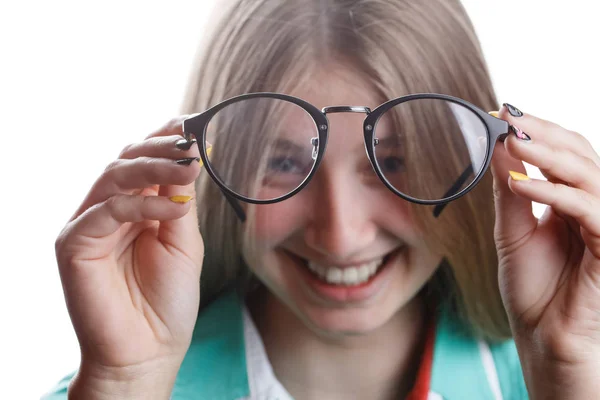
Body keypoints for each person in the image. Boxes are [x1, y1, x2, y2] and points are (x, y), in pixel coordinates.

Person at [43, 1, 600, 399]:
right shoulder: (108, 386)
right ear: (210, 173)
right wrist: (125, 384)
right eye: (283, 163)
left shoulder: (566, 380)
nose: (340, 235)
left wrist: (567, 370)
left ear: (470, 164)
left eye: (395, 161)